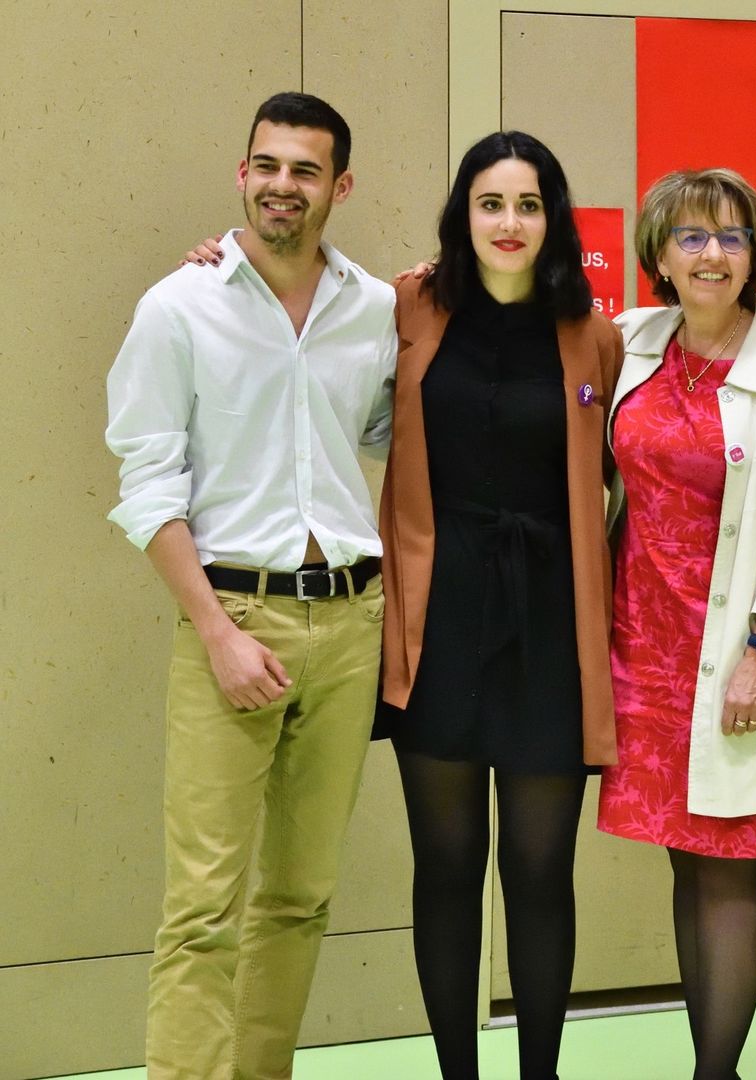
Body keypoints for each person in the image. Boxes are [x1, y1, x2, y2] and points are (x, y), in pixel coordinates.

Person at [106, 92, 396, 1078]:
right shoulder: (176, 306)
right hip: (233, 615)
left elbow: (393, 436)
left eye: (306, 170)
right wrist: (217, 631)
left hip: (352, 623)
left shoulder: (376, 310)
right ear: (242, 174)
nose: (284, 185)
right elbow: (147, 487)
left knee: (301, 897)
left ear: (339, 186)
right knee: (203, 905)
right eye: (267, 165)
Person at [376, 131, 622, 1080]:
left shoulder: (592, 332)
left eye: (528, 204)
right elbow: (302, 304)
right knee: (444, 868)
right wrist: (219, 254)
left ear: (554, 219)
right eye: (491, 203)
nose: (509, 223)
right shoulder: (408, 308)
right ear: (462, 215)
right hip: (437, 622)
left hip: (550, 627)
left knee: (538, 872)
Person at [597, 167, 756, 1080]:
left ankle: (713, 1076)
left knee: (729, 866)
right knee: (683, 861)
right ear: (659, 252)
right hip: (642, 652)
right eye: (692, 237)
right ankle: (719, 1068)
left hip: (737, 652)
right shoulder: (627, 341)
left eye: (732, 237)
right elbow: (509, 331)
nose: (712, 254)